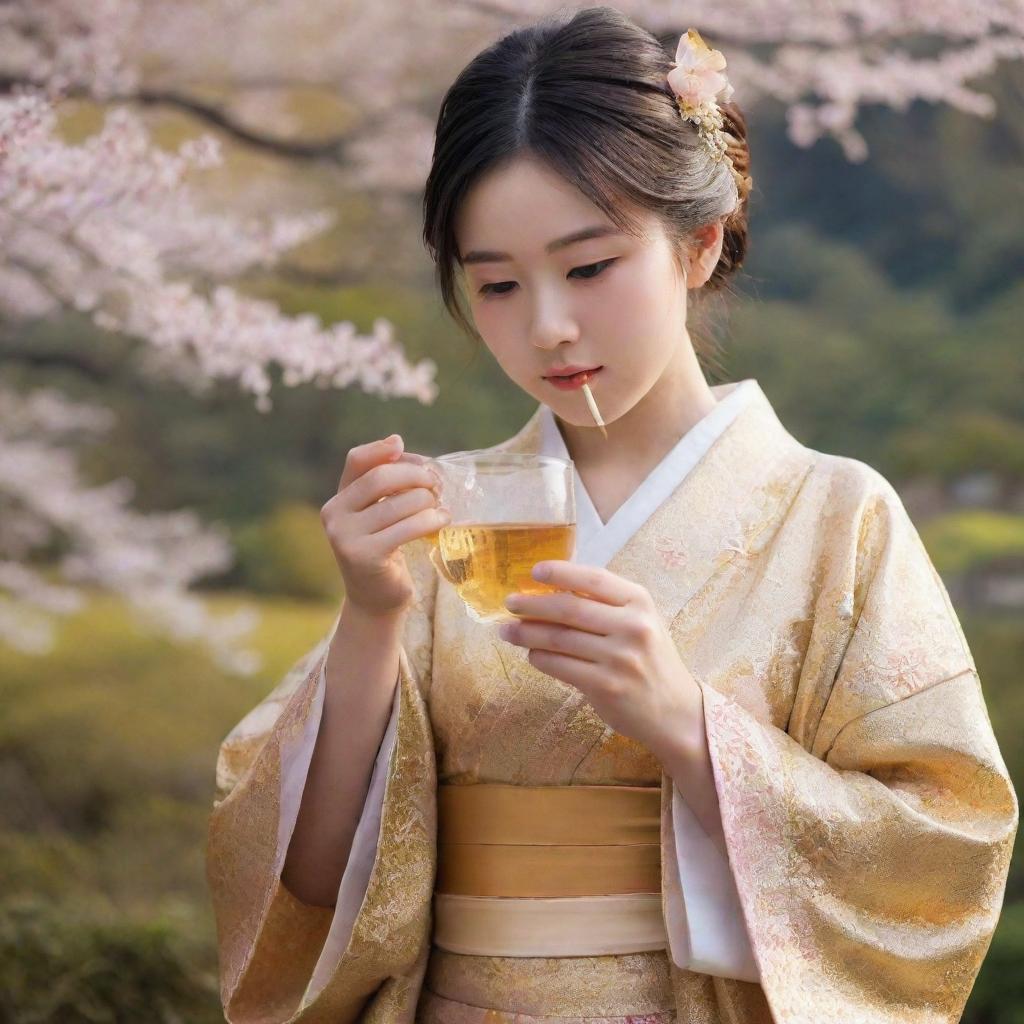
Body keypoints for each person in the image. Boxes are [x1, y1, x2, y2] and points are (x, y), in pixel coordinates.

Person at [204, 7, 1018, 1023]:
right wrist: (370, 615)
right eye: (496, 284)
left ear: (699, 244)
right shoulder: (438, 521)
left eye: (589, 267)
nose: (547, 326)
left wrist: (686, 726)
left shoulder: (835, 516)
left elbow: (943, 853)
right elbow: (303, 887)